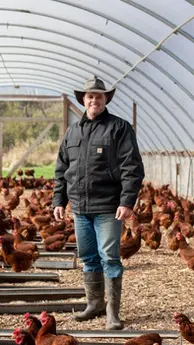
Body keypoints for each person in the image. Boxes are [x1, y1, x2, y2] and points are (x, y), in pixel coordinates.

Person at [53, 76, 144, 330]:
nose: (94, 100)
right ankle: (95, 304)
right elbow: (62, 168)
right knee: (88, 257)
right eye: (90, 96)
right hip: (80, 208)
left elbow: (132, 167)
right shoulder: (73, 131)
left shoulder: (119, 128)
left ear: (106, 99)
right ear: (83, 99)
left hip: (107, 207)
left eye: (99, 96)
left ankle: (113, 314)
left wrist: (127, 201)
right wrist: (59, 199)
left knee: (110, 258)